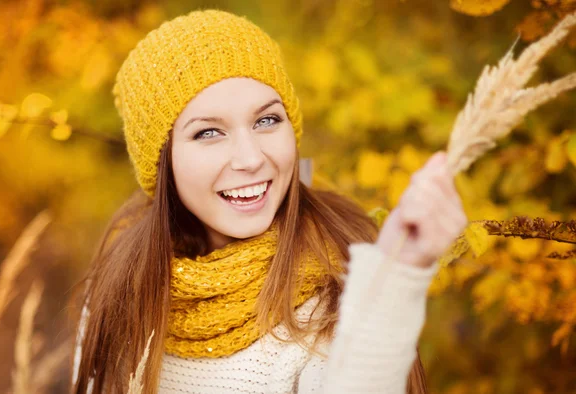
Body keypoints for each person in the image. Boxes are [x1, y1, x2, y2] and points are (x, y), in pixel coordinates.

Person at [71, 8, 468, 394]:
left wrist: (398, 276)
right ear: (162, 162)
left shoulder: (335, 292)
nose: (251, 158)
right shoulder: (122, 292)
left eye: (266, 121)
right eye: (209, 132)